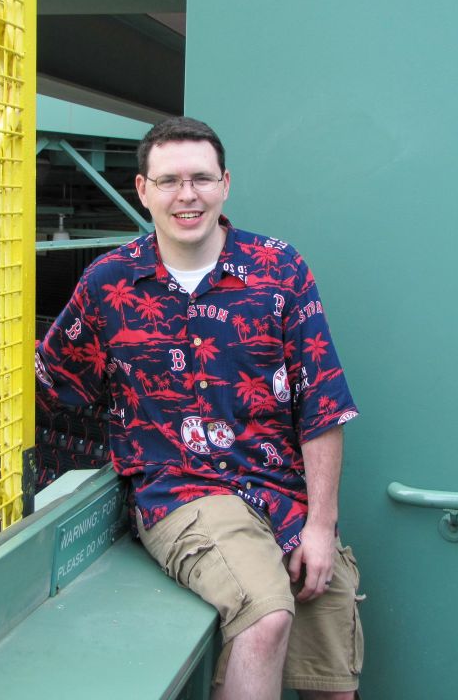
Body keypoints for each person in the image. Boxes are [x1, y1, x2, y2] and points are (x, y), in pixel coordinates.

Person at [35, 117, 363, 699]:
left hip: (281, 495)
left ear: (225, 184)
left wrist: (320, 526)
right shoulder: (110, 283)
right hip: (181, 492)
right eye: (169, 181)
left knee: (332, 675)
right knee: (265, 616)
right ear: (143, 190)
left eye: (201, 179)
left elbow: (322, 405)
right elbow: (49, 378)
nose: (187, 195)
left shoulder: (279, 269)